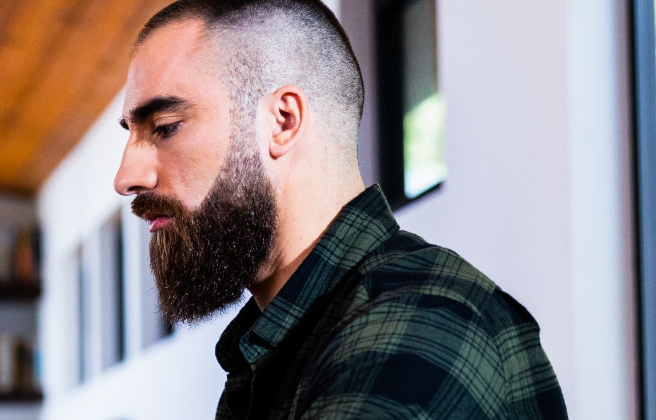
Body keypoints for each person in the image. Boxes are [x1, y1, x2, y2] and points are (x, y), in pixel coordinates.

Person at [112, 1, 568, 418]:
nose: (125, 177)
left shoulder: (415, 330)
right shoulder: (280, 348)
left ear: (282, 121)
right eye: (130, 133)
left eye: (166, 127)